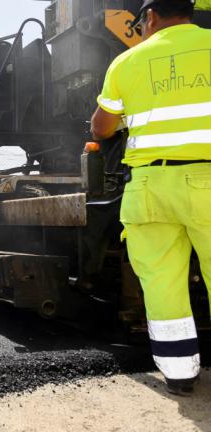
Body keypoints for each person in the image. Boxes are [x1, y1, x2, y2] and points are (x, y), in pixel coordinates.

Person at [90, 0, 211, 396]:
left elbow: (101, 125)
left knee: (162, 284)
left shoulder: (126, 62)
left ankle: (180, 374)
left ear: (152, 16)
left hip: (150, 186)